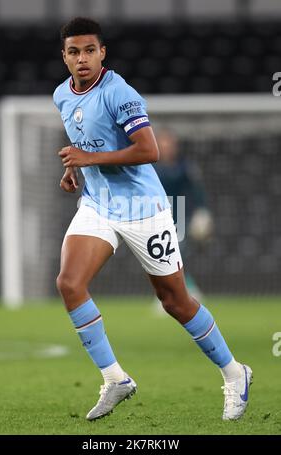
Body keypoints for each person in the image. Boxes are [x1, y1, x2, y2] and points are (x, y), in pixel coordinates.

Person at [53, 17, 252, 422]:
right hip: (98, 206)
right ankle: (116, 379)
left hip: (144, 210)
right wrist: (76, 167)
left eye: (90, 50)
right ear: (65, 57)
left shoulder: (119, 92)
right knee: (70, 283)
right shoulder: (62, 95)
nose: (82, 59)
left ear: (102, 52)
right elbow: (84, 141)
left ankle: (235, 373)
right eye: (74, 52)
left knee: (175, 301)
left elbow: (149, 150)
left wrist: (89, 158)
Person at [153, 128, 214, 305]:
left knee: (177, 254)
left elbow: (197, 191)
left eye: (168, 144)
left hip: (180, 216)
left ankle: (182, 291)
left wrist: (202, 211)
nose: (166, 148)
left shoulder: (184, 167)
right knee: (162, 257)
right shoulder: (151, 168)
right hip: (157, 216)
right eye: (162, 144)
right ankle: (172, 292)